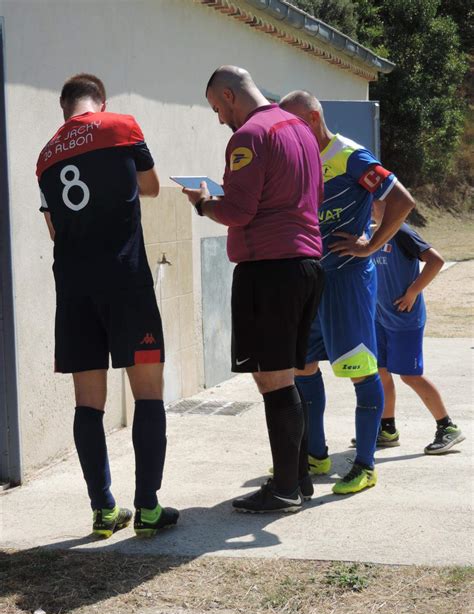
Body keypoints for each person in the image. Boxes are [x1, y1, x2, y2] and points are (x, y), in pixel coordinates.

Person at [36, 73, 178, 537]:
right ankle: (149, 510)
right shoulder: (121, 126)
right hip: (126, 281)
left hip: (74, 289)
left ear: (65, 110)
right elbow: (152, 186)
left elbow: (54, 229)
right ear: (101, 100)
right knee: (148, 393)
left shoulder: (45, 158)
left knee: (87, 405)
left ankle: (102, 511)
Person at [183, 66, 325, 513]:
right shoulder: (300, 129)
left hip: (270, 269)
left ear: (229, 95)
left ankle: (284, 488)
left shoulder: (248, 137)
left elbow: (240, 210)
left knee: (272, 379)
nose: (219, 118)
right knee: (289, 375)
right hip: (305, 264)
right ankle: (297, 480)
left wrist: (204, 204)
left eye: (217, 108)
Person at [279, 90, 415, 494]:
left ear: (316, 116)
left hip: (348, 281)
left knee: (360, 370)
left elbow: (402, 200)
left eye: (297, 123)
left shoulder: (351, 156)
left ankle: (365, 465)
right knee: (304, 366)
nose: (292, 133)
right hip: (310, 281)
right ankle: (316, 454)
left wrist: (371, 245)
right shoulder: (299, 160)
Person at [371, 203, 465, 453]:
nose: (370, 205)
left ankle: (448, 427)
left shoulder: (401, 232)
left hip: (404, 319)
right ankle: (387, 429)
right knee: (380, 371)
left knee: (409, 375)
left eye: (376, 200)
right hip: (379, 317)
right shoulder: (370, 233)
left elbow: (436, 260)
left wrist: (413, 292)